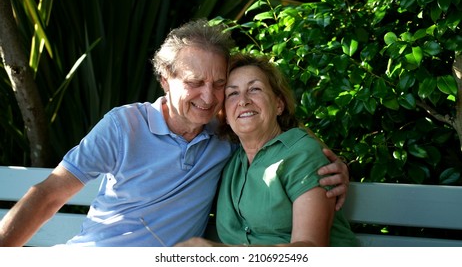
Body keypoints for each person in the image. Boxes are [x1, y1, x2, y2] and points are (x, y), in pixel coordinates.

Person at [0, 19, 349, 247]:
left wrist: (330, 162)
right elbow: (48, 194)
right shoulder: (124, 126)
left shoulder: (223, 134)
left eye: (219, 84)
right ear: (166, 80)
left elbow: (274, 135)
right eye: (195, 83)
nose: (209, 97)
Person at [175, 53, 357, 247]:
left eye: (255, 89)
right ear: (225, 115)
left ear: (279, 104)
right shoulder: (228, 159)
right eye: (233, 93)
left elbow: (310, 250)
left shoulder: (303, 154)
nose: (243, 101)